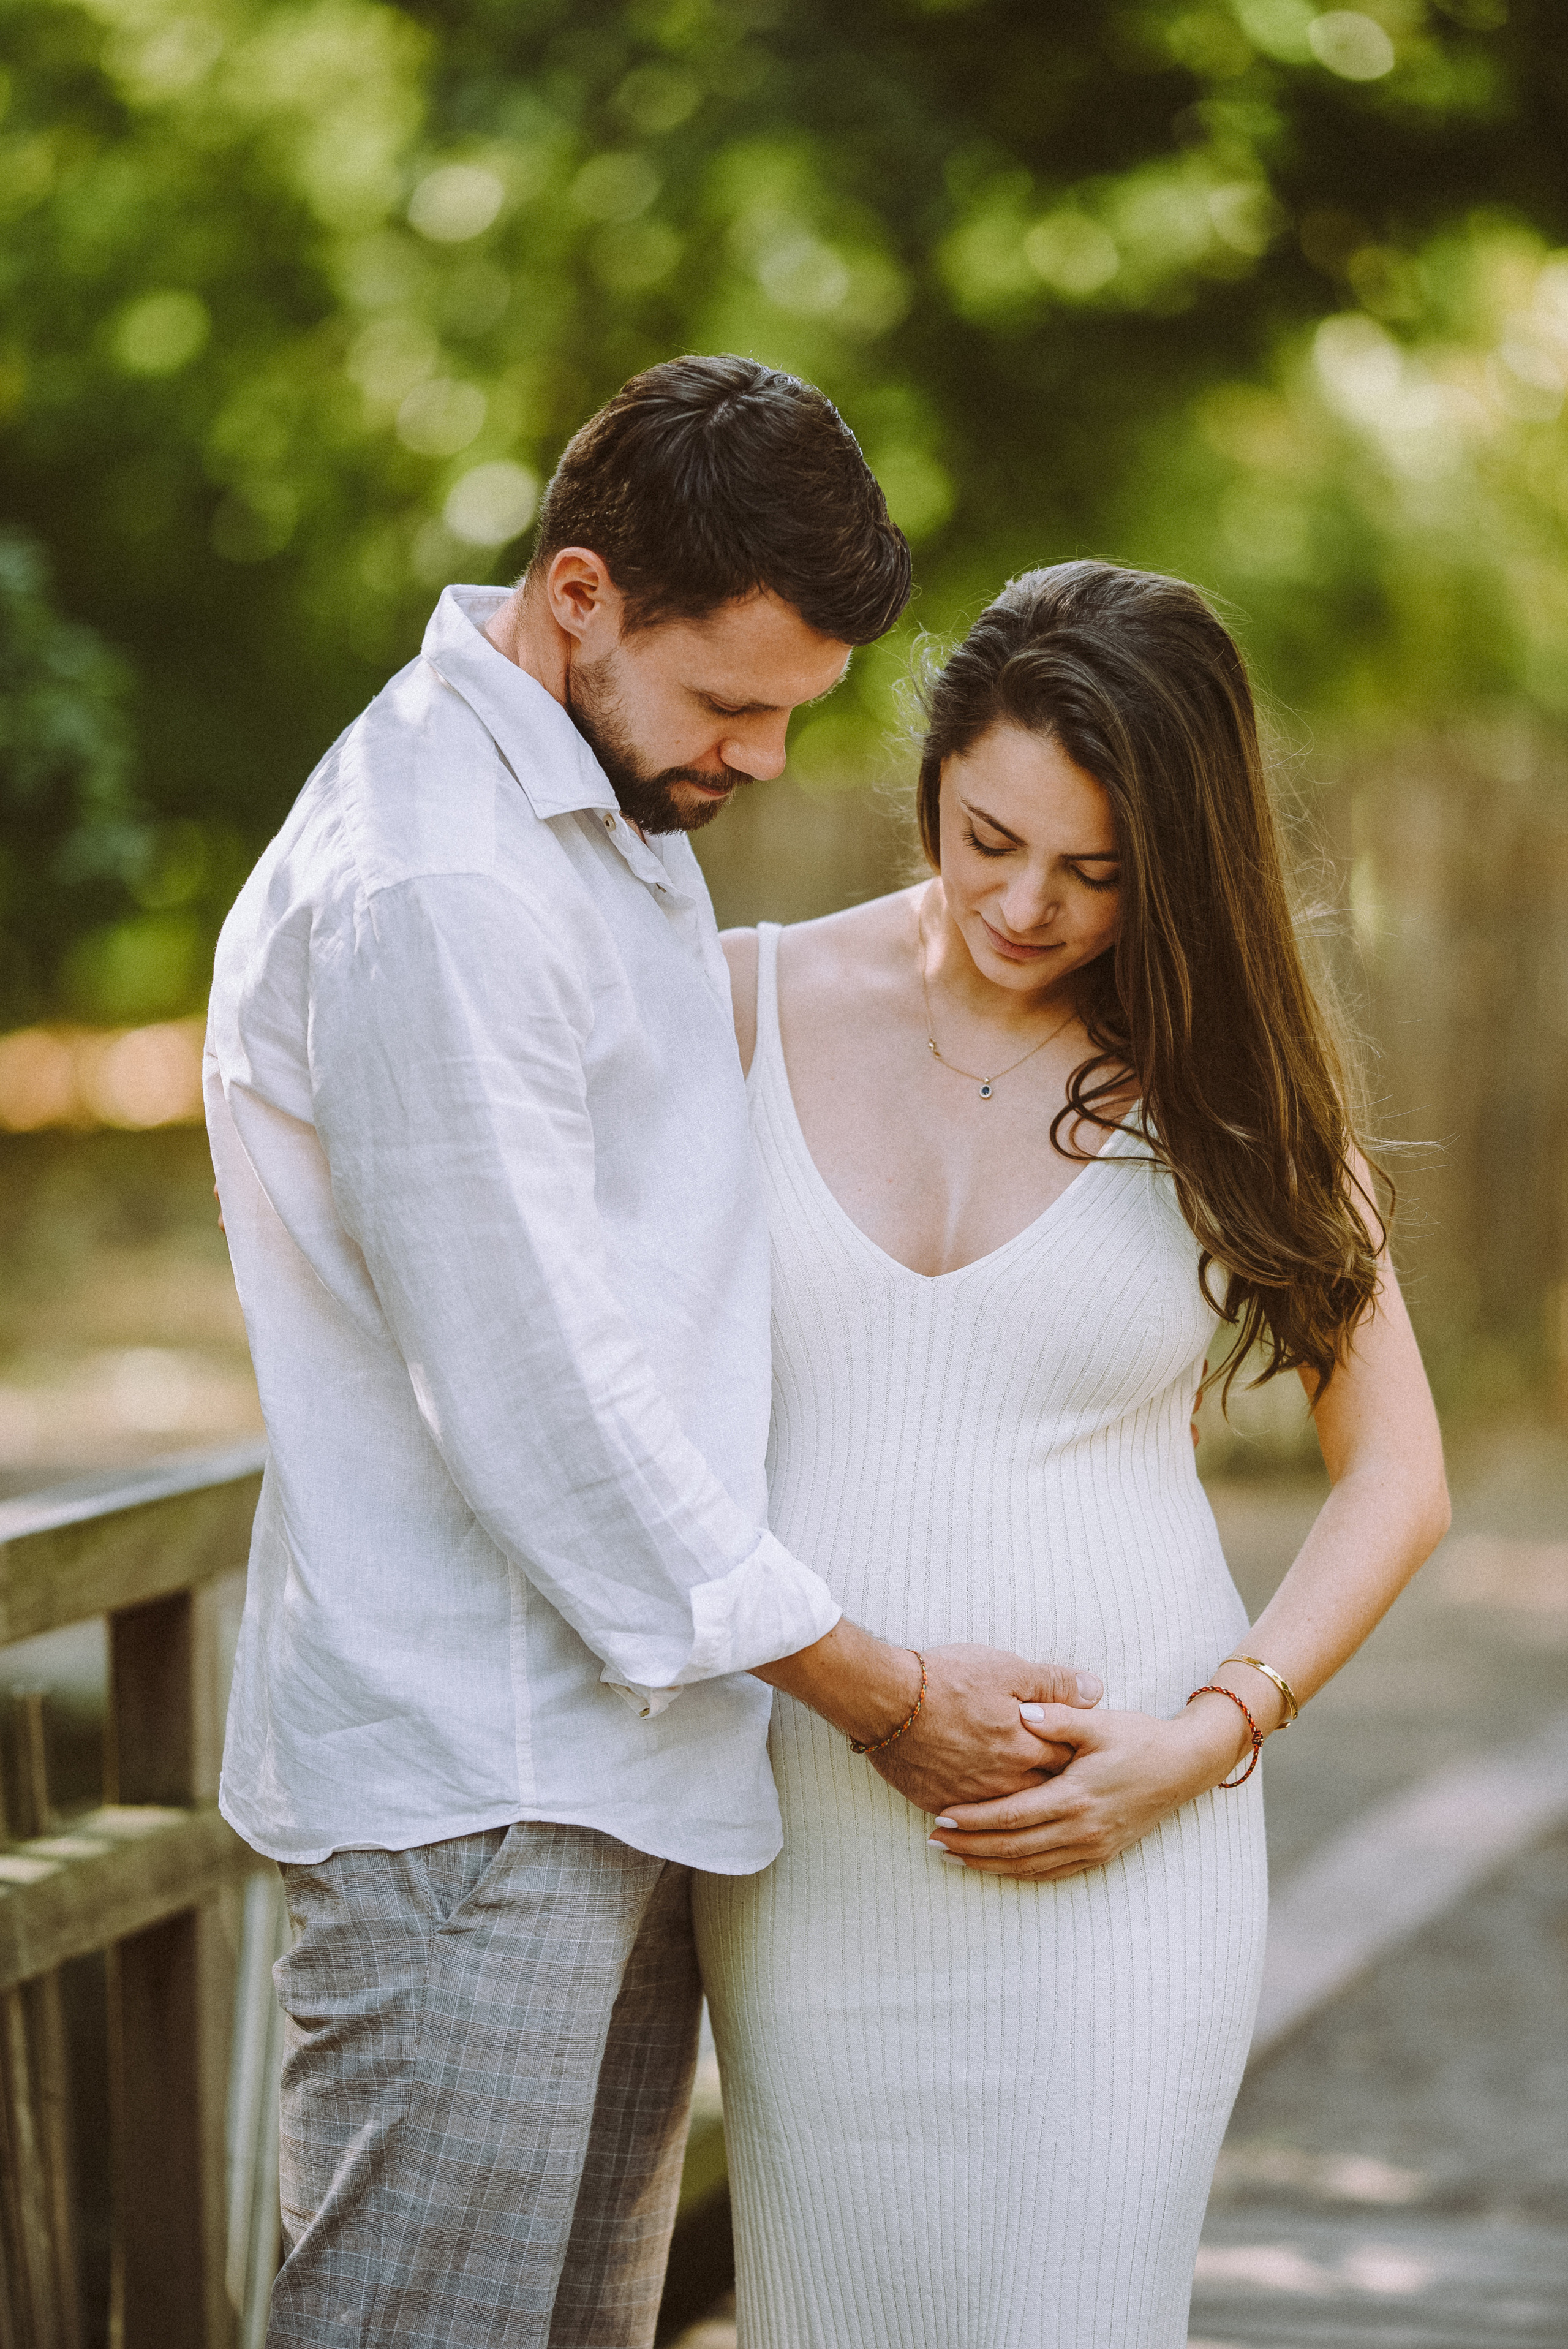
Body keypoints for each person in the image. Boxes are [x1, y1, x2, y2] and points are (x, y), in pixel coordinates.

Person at [205, 357, 1098, 2349]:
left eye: (793, 709)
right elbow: (535, 1395)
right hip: (477, 1783)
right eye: (736, 703)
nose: (768, 758)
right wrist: (880, 1691)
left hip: (620, 1765)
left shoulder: (592, 803)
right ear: (584, 594)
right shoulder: (437, 881)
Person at [693, 560, 1452, 2349]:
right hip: (813, 1856)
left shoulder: (1224, 1083)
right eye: (989, 838)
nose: (1028, 903)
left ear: (1175, 866)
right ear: (933, 772)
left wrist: (1206, 1736)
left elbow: (1398, 1475)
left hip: (1131, 1857)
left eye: (1097, 871)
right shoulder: (730, 1004)